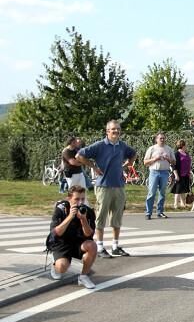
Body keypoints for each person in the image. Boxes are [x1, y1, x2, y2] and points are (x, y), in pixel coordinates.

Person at [76, 119, 137, 258]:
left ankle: (115, 246)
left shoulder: (122, 146)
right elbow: (79, 155)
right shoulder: (100, 145)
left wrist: (127, 165)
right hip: (103, 186)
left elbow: (133, 154)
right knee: (101, 217)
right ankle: (100, 247)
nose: (116, 131)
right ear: (107, 131)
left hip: (119, 186)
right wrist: (93, 167)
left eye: (118, 129)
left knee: (117, 218)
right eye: (113, 129)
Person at [47, 183, 98, 289]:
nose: (80, 202)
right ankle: (55, 262)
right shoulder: (61, 209)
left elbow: (89, 234)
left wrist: (83, 219)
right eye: (77, 199)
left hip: (78, 243)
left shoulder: (87, 211)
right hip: (62, 242)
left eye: (82, 199)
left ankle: (83, 276)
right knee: (62, 268)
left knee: (92, 246)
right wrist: (70, 216)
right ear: (69, 199)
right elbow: (56, 232)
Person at [143, 131, 176, 219]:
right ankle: (148, 213)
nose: (162, 140)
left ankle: (160, 212)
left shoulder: (169, 149)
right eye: (160, 138)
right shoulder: (152, 149)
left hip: (165, 172)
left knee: (162, 192)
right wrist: (155, 159)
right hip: (154, 172)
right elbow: (145, 162)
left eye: (163, 138)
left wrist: (168, 159)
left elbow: (174, 162)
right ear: (156, 139)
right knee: (152, 192)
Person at [172, 138, 193, 209]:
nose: (186, 146)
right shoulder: (176, 154)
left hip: (186, 174)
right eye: (185, 145)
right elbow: (174, 165)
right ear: (182, 145)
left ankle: (183, 204)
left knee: (183, 190)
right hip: (179, 174)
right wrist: (176, 175)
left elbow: (188, 164)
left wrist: (189, 173)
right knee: (178, 190)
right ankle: (175, 204)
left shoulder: (186, 153)